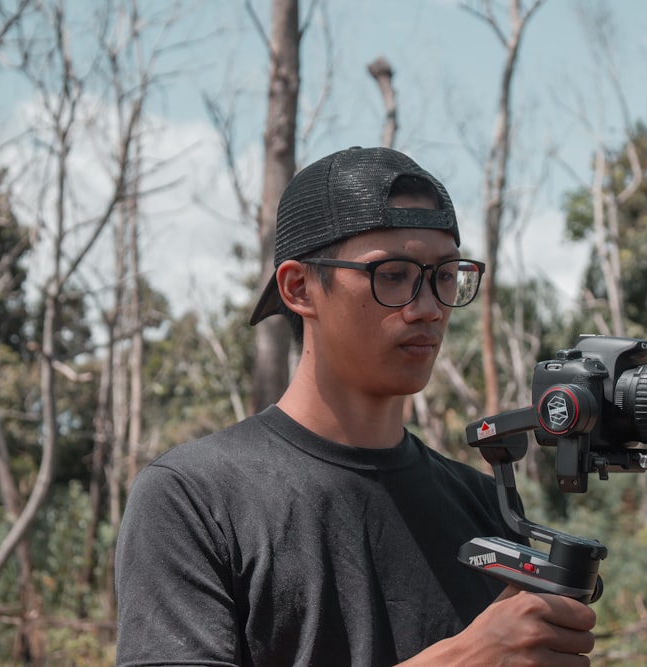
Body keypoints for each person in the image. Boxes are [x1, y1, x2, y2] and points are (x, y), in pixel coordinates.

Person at [115, 146, 596, 666]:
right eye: (392, 275)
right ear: (300, 288)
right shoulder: (194, 497)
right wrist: (464, 660)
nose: (429, 308)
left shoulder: (480, 501)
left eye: (446, 275)